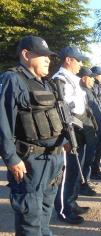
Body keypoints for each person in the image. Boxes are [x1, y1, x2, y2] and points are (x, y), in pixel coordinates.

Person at [0, 36, 65, 235]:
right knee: (31, 219)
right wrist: (11, 158)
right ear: (26, 55)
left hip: (53, 158)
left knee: (45, 213)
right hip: (30, 161)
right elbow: (2, 121)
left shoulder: (46, 83)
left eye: (49, 56)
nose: (48, 60)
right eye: (43, 56)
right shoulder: (12, 79)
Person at [53, 46, 90, 224]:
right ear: (68, 60)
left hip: (77, 126)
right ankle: (63, 210)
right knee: (66, 173)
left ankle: (71, 201)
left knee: (76, 170)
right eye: (78, 60)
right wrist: (66, 138)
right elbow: (60, 111)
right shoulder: (60, 80)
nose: (81, 64)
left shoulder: (72, 79)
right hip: (68, 130)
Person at [90, 66, 101, 178]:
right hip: (96, 121)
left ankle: (96, 169)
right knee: (95, 149)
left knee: (99, 148)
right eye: (100, 74)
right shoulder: (94, 87)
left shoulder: (100, 87)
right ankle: (93, 171)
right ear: (94, 75)